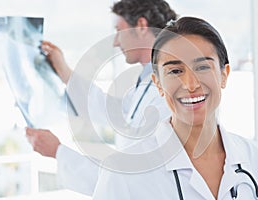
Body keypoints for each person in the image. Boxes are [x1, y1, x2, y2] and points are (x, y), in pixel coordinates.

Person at [92, 16, 258, 200]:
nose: (190, 84)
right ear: (158, 84)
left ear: (224, 75)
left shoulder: (256, 158)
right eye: (175, 71)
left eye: (202, 67)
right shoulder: (123, 171)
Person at [25, 0, 177, 196]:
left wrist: (58, 152)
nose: (115, 41)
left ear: (140, 26)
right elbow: (113, 112)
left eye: (119, 30)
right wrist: (65, 73)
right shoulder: (147, 82)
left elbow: (130, 176)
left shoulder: (169, 91)